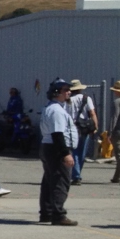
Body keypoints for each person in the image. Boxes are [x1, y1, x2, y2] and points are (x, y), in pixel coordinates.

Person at [40, 79, 77, 225]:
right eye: (65, 90)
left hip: (48, 147)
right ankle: (58, 215)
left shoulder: (52, 108)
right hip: (55, 148)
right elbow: (57, 134)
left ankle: (47, 213)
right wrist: (65, 153)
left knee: (49, 181)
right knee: (60, 182)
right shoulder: (56, 110)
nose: (69, 92)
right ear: (56, 93)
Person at [68, 79, 97, 184]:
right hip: (84, 127)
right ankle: (77, 173)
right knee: (82, 152)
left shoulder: (68, 100)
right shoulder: (86, 98)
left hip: (72, 128)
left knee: (74, 151)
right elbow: (92, 113)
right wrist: (95, 126)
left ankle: (76, 175)